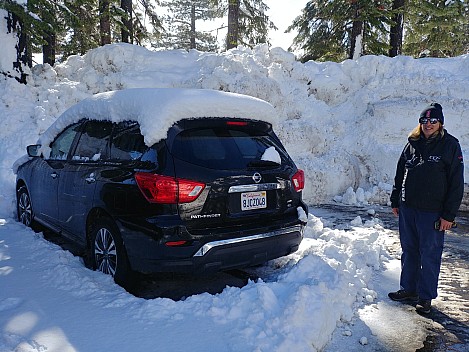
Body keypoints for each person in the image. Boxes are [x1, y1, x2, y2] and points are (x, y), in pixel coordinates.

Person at [388, 102, 464, 314]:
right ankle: (408, 289)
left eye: (433, 121)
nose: (428, 124)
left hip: (432, 211)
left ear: (440, 123)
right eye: (424, 120)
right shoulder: (412, 143)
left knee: (429, 254)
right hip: (408, 208)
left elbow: (456, 183)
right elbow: (400, 172)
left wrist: (448, 215)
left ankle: (425, 296)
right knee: (409, 251)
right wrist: (396, 200)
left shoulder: (450, 145)